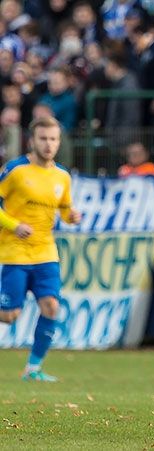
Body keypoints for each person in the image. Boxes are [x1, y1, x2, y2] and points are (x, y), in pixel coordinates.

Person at [0, 116, 82, 382]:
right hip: (15, 251)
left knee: (51, 306)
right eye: (43, 139)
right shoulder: (14, 170)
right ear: (32, 140)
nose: (49, 145)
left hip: (46, 252)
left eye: (53, 139)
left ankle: (32, 369)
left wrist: (72, 216)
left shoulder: (62, 176)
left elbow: (65, 208)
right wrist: (13, 225)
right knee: (11, 315)